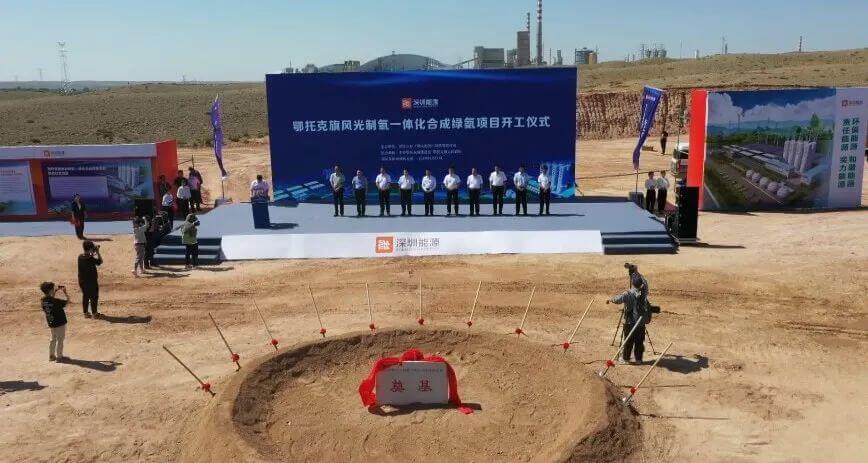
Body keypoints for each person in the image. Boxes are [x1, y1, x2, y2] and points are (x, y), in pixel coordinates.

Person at [606, 278, 647, 364]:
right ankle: (638, 360)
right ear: (641, 285)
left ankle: (626, 359)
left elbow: (618, 300)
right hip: (641, 322)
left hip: (629, 322)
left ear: (632, 283)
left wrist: (610, 299)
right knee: (639, 341)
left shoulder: (627, 294)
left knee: (628, 340)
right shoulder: (643, 293)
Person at [40, 282, 70, 362]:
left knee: (53, 339)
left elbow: (50, 301)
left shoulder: (43, 300)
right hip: (60, 323)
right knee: (60, 340)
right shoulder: (56, 301)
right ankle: (59, 357)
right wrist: (65, 293)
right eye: (53, 289)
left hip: (51, 323)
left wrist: (54, 292)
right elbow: (67, 302)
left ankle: (51, 356)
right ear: (50, 291)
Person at [77, 240, 102, 318]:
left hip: (82, 281)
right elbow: (100, 261)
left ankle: (86, 313)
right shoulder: (91, 259)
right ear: (91, 248)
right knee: (94, 297)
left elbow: (87, 256)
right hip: (92, 282)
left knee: (86, 296)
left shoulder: (80, 257)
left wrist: (92, 252)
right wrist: (97, 252)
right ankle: (94, 313)